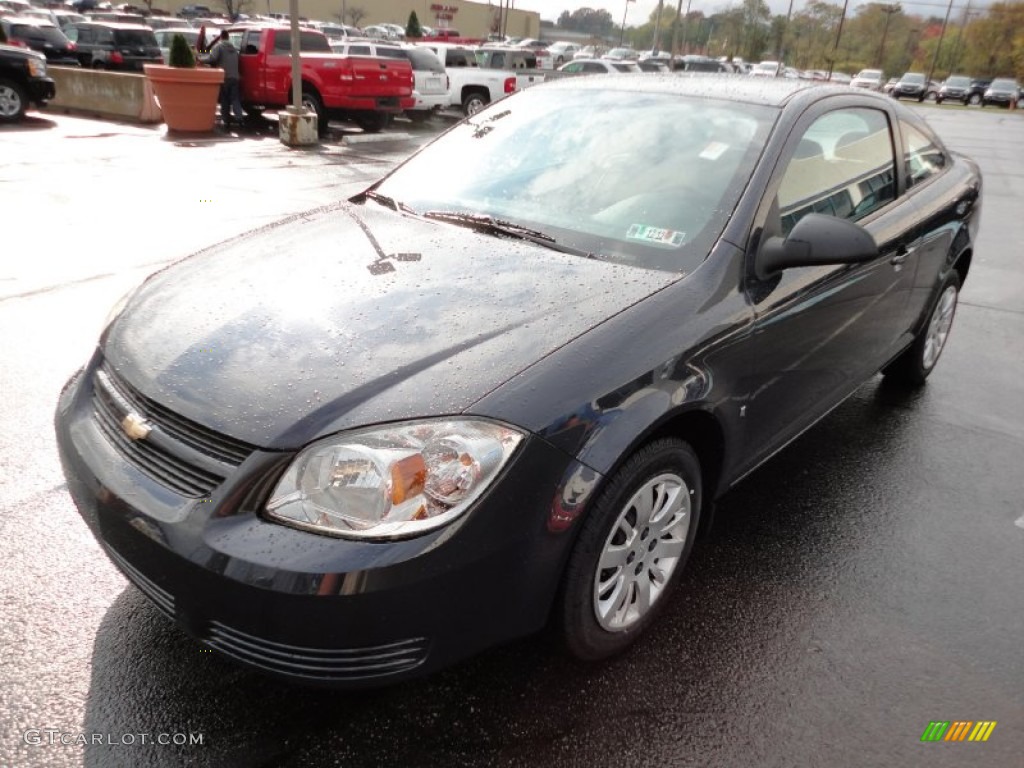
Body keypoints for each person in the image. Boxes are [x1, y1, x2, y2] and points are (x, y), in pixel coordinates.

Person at [203, 30, 244, 128]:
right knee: (235, 99)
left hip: (224, 77)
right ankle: (239, 118)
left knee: (224, 99)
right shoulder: (234, 48)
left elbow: (212, 59)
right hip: (235, 77)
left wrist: (201, 59)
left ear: (221, 37)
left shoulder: (219, 47)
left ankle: (226, 120)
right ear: (228, 37)